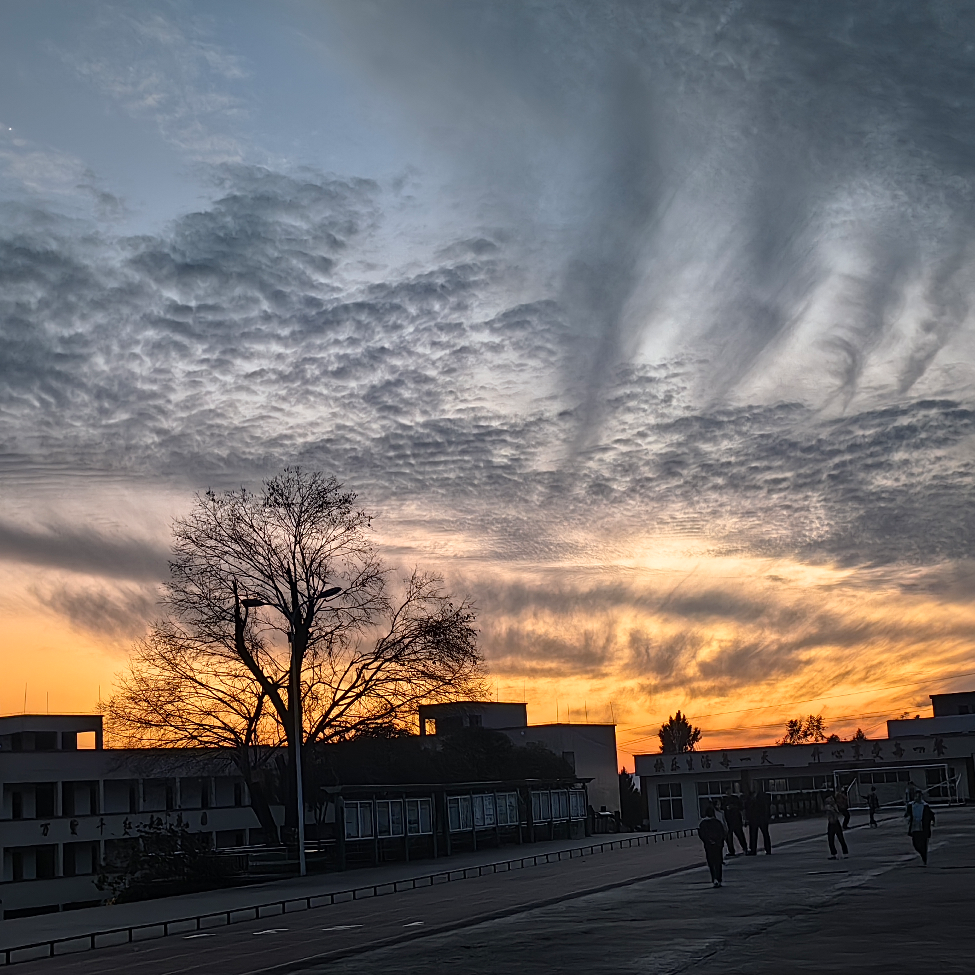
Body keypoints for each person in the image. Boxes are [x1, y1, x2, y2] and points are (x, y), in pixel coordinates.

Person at [698, 804, 727, 887]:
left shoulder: (703, 824)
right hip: (718, 845)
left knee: (711, 862)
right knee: (718, 862)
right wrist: (718, 841)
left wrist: (709, 841)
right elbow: (722, 833)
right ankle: (719, 878)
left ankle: (714, 878)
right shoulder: (717, 823)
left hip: (708, 846)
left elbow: (702, 835)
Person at [905, 793, 935, 865]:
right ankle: (922, 853)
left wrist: (932, 821)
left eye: (919, 796)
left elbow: (931, 814)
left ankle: (924, 857)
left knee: (924, 843)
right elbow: (907, 814)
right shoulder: (911, 805)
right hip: (915, 826)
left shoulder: (925, 806)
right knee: (915, 843)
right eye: (916, 796)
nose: (917, 798)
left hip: (923, 827)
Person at [745, 786, 772, 855]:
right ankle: (753, 850)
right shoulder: (750, 797)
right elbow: (747, 809)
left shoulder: (762, 797)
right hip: (754, 818)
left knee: (765, 834)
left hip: (761, 818)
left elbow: (766, 807)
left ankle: (767, 849)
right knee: (753, 834)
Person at [723, 791, 748, 858]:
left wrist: (733, 807)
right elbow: (722, 809)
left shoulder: (735, 799)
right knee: (729, 837)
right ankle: (731, 851)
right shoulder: (724, 800)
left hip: (736, 820)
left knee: (740, 835)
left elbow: (741, 807)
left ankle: (745, 848)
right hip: (729, 821)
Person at [825, 791, 849, 859]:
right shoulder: (836, 803)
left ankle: (834, 854)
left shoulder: (830, 804)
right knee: (840, 838)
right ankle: (845, 852)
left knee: (831, 839)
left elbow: (827, 809)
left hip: (832, 822)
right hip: (835, 821)